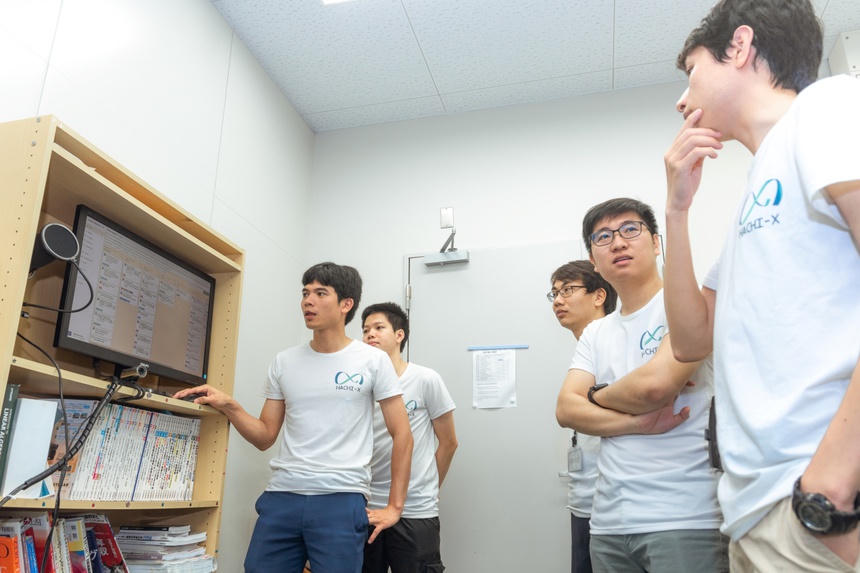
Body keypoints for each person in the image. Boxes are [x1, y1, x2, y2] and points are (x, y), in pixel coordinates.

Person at [663, 0, 860, 569]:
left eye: (692, 72)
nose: (682, 100)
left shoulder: (825, 105)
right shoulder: (756, 192)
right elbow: (690, 341)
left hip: (814, 502)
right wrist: (676, 211)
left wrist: (832, 484)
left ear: (740, 46)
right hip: (755, 512)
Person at [174, 262, 413, 573]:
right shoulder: (284, 362)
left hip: (340, 498)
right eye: (305, 293)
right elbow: (265, 436)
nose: (308, 301)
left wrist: (395, 507)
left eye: (320, 293)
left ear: (346, 304)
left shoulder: (373, 361)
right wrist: (230, 406)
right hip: (282, 496)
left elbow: (402, 433)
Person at [556, 198, 726, 572]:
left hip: (685, 517)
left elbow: (654, 388)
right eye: (603, 236)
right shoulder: (596, 332)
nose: (618, 242)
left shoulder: (687, 307)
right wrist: (637, 422)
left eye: (630, 229)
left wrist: (595, 395)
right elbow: (566, 410)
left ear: (656, 243)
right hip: (608, 523)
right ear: (594, 259)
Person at [360, 302, 457, 573]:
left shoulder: (425, 379)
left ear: (399, 335)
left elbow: (449, 442)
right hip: (368, 507)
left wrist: (429, 487)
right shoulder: (359, 386)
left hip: (416, 510)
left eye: (379, 327)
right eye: (365, 330)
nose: (370, 334)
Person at [548, 260, 617, 573]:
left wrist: (589, 400)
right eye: (554, 294)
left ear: (599, 296)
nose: (558, 301)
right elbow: (567, 411)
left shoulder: (617, 344)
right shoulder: (583, 353)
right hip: (584, 500)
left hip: (614, 502)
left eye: (567, 290)